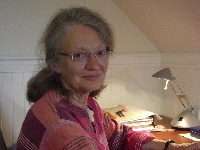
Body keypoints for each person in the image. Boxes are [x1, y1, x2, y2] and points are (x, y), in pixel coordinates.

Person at [16, 7, 200, 150]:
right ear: (55, 62)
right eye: (80, 55)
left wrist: (172, 146)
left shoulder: (84, 104)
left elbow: (119, 136)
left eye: (100, 52)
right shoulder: (64, 131)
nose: (94, 64)